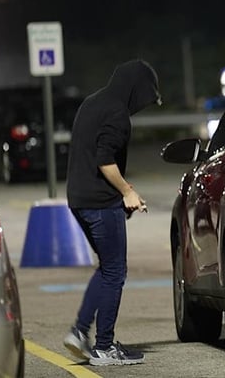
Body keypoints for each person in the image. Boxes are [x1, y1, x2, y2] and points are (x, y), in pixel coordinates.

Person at [62, 59, 162, 366]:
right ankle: (104, 347)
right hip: (100, 204)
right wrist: (126, 192)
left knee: (106, 268)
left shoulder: (92, 102)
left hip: (79, 199)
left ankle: (79, 332)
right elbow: (105, 160)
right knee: (115, 271)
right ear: (135, 89)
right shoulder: (118, 113)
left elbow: (92, 153)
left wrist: (123, 189)